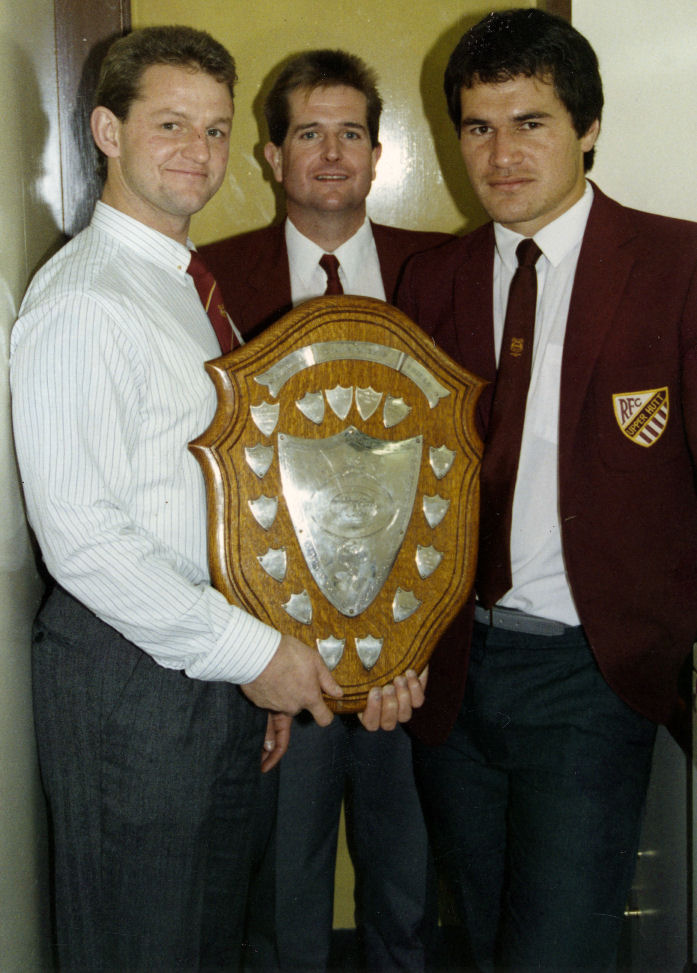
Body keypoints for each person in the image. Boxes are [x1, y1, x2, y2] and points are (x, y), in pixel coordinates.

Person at [9, 27, 423, 972]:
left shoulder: (187, 287)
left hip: (206, 664)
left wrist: (254, 666)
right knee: (145, 943)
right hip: (131, 682)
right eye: (168, 124)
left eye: (213, 127)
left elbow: (222, 494)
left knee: (208, 940)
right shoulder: (86, 301)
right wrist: (251, 652)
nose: (197, 150)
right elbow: (83, 540)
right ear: (106, 131)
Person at [397, 8, 697, 971]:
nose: (501, 154)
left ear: (588, 128)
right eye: (478, 127)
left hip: (589, 676)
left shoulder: (677, 268)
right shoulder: (429, 281)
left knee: (553, 952)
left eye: (530, 122)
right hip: (453, 675)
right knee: (482, 940)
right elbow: (400, 486)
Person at [202, 49, 449, 973]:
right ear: (271, 155)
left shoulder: (440, 270)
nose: (332, 153)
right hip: (276, 656)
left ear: (379, 154)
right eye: (309, 132)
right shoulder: (212, 280)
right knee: (285, 895)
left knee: (407, 889)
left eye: (352, 132)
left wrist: (427, 631)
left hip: (410, 658)